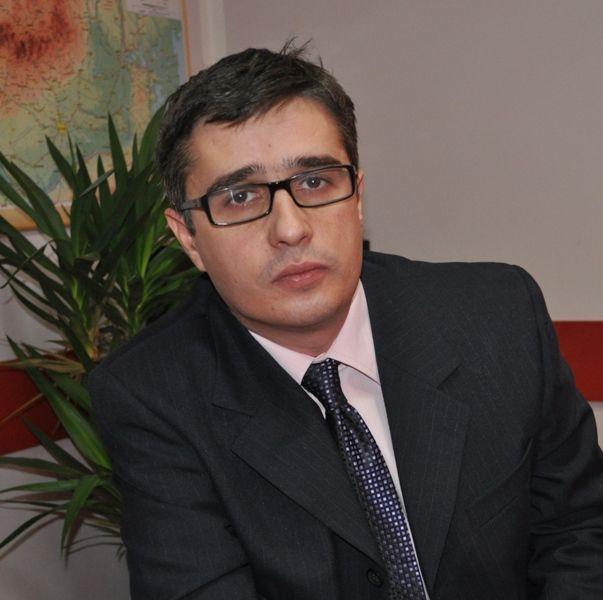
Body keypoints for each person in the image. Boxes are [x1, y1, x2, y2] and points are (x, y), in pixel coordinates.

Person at [88, 42, 603, 600]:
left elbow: (580, 531)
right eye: (240, 197)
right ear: (189, 237)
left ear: (356, 195)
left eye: (314, 181)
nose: (290, 229)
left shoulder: (496, 313)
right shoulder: (153, 394)